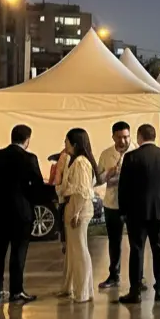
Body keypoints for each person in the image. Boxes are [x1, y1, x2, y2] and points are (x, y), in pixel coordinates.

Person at [117, 124, 160, 303]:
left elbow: (124, 187)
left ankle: (135, 291)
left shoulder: (131, 157)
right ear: (155, 135)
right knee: (159, 249)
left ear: (139, 137)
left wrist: (123, 210)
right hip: (159, 210)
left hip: (136, 211)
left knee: (137, 250)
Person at [0, 124, 43, 304]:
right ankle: (16, 291)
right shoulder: (29, 158)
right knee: (19, 252)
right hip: (22, 212)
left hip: (1, 211)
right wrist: (30, 202)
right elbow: (38, 186)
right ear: (27, 140)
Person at [59, 128, 99, 304]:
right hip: (74, 207)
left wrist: (75, 213)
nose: (64, 145)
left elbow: (83, 191)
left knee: (79, 250)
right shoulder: (75, 161)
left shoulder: (81, 163)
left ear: (74, 144)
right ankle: (71, 287)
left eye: (66, 141)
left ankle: (83, 291)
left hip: (78, 209)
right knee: (73, 251)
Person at [96, 121, 133, 290]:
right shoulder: (106, 154)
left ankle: (138, 277)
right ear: (113, 137)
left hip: (133, 204)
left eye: (126, 137)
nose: (123, 141)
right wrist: (109, 173)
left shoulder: (136, 151)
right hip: (112, 203)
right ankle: (114, 275)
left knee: (136, 242)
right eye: (119, 137)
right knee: (114, 241)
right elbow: (99, 180)